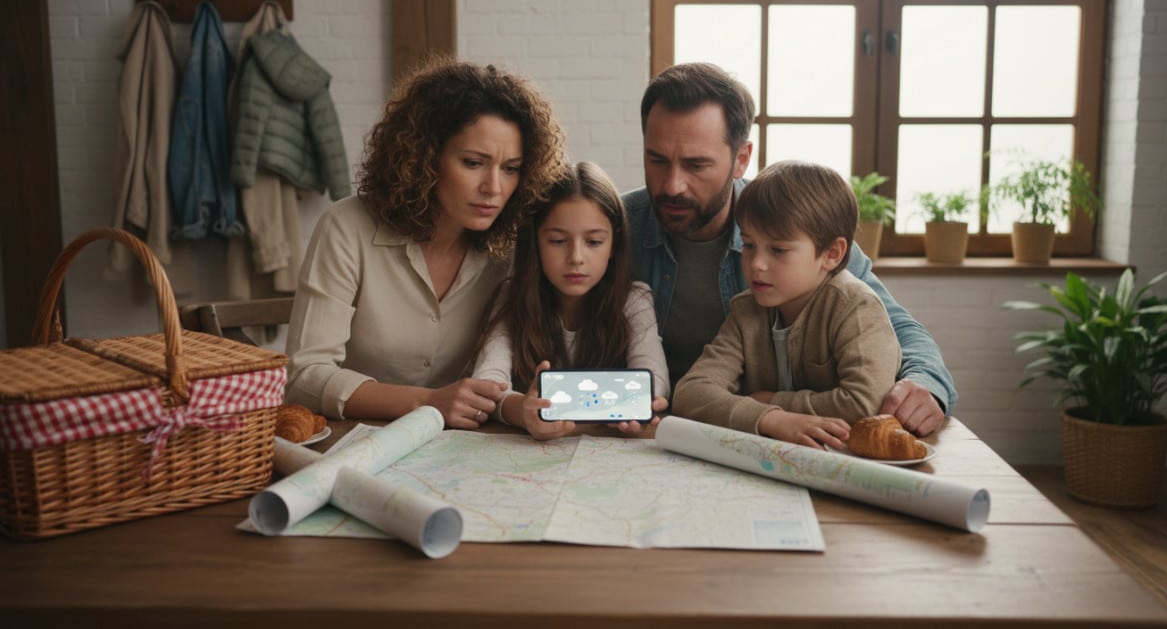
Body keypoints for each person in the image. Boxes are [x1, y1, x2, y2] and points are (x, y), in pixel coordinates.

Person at [622, 62, 956, 436]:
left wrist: (926, 383)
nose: (673, 185)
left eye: (696, 164)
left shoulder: (790, 222)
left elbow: (896, 327)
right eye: (657, 160)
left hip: (764, 434)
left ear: (741, 159)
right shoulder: (610, 228)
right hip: (659, 430)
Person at [285, 57, 567, 427]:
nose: (494, 188)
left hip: (462, 446)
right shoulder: (346, 228)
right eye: (472, 163)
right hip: (355, 439)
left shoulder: (511, 250)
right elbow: (303, 376)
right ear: (424, 157)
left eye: (511, 169)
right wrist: (427, 401)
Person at [673, 161, 901, 448]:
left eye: (778, 250)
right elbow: (690, 393)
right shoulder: (747, 311)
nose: (756, 264)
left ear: (832, 253)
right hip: (773, 461)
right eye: (749, 244)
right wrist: (771, 418)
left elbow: (866, 403)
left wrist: (772, 400)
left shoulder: (856, 307)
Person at [471, 161, 670, 440]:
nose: (576, 257)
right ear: (536, 243)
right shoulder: (512, 296)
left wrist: (645, 400)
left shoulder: (633, 298)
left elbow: (654, 375)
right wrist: (522, 410)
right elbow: (487, 381)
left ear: (614, 244)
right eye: (557, 241)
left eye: (594, 242)